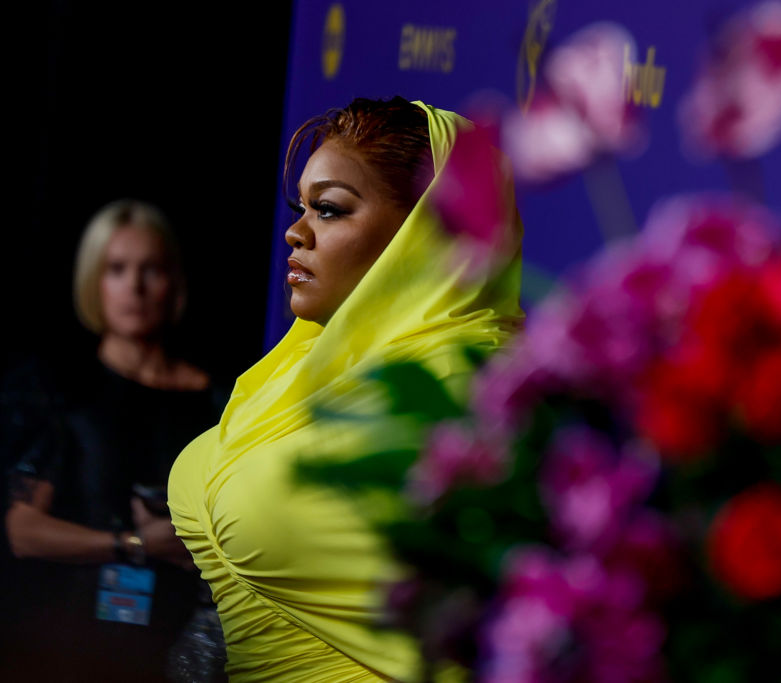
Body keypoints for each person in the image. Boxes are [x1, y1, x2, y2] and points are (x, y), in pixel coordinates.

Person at [168, 97, 523, 681]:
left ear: (425, 233)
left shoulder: (472, 389)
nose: (295, 232)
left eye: (329, 210)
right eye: (302, 208)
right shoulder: (302, 360)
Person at [3, 200, 228, 682]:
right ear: (94, 281)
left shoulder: (218, 403)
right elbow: (21, 529)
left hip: (176, 649)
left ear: (174, 282)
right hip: (62, 645)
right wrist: (136, 544)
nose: (135, 287)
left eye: (151, 270)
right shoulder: (60, 388)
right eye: (117, 269)